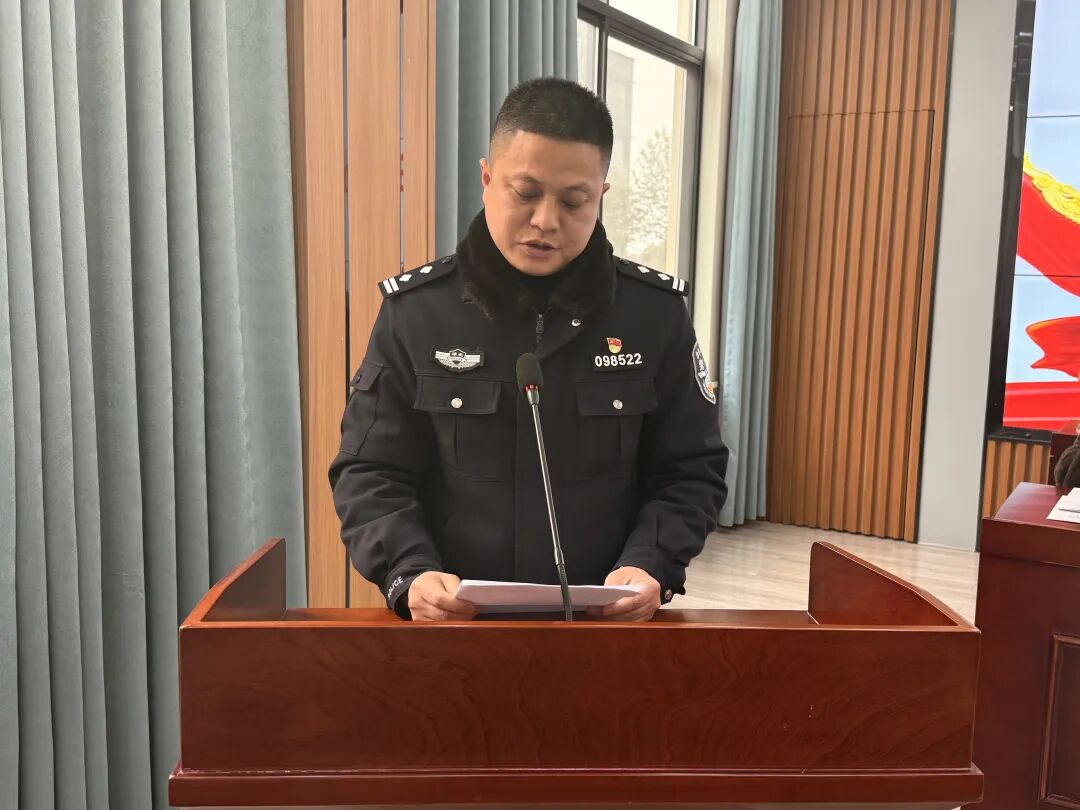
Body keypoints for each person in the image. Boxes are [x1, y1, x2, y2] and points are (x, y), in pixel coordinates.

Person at [329, 77, 728, 622]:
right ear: (486, 178)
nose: (546, 220)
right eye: (525, 193)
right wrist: (409, 569)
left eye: (574, 200)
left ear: (601, 195)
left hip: (606, 622)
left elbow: (691, 468)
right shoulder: (417, 314)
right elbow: (370, 470)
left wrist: (651, 562)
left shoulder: (653, 315)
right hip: (455, 625)